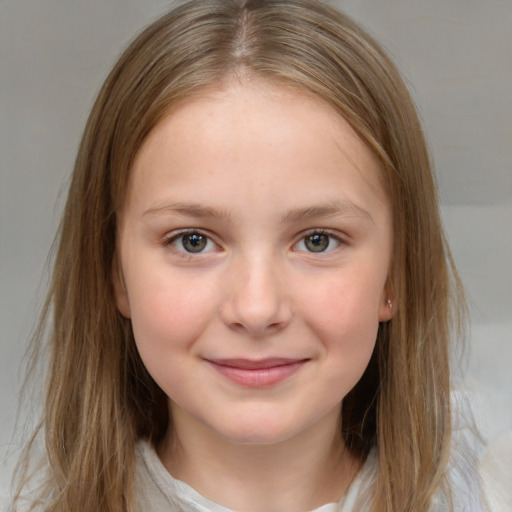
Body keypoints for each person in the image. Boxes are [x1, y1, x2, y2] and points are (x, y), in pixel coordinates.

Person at [11, 0, 487, 510]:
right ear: (115, 274)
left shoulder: (472, 490)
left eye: (317, 240)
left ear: (395, 275)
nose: (257, 310)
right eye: (193, 241)